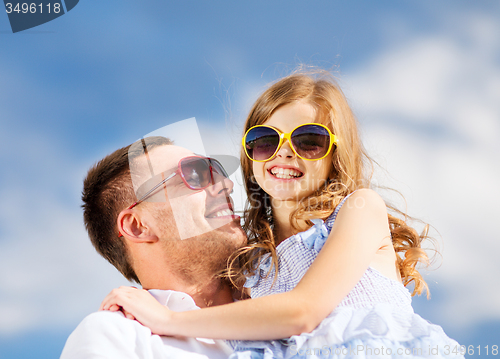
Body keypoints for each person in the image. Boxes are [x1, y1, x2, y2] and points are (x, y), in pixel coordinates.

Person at [101, 70, 464, 358]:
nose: (285, 152)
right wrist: (139, 309)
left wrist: (171, 320)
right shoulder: (253, 268)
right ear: (250, 155)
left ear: (336, 153)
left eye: (308, 140)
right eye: (266, 141)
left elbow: (302, 312)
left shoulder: (358, 210)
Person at [61, 135, 247, 359]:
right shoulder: (117, 336)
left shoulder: (288, 293)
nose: (226, 185)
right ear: (138, 226)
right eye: (194, 174)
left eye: (215, 171)